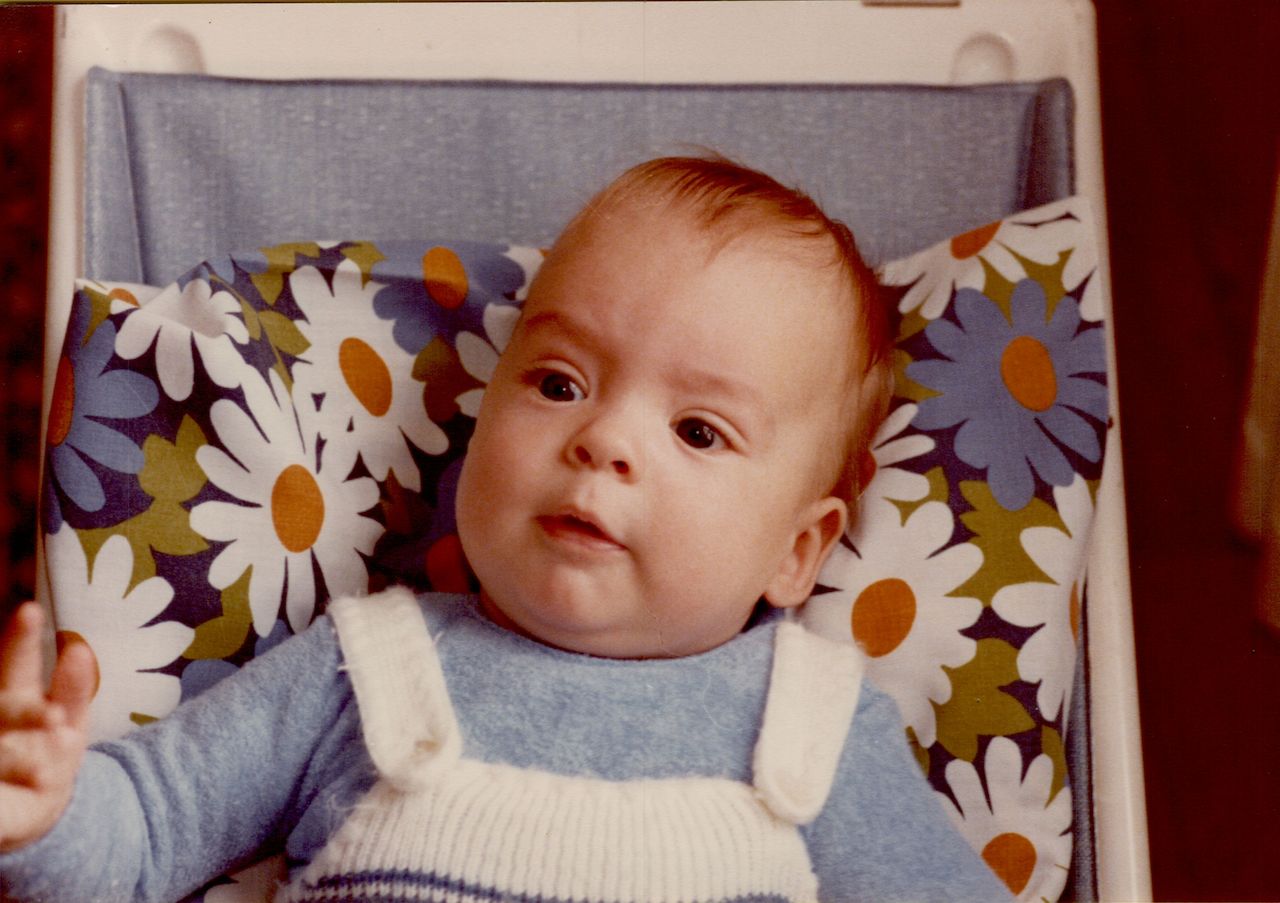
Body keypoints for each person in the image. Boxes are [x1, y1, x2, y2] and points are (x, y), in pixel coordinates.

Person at [0, 157, 1012, 902]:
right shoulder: (363, 669)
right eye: (559, 383)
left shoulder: (812, 728)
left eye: (697, 430)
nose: (603, 438)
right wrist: (45, 814)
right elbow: (140, 836)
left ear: (798, 550)